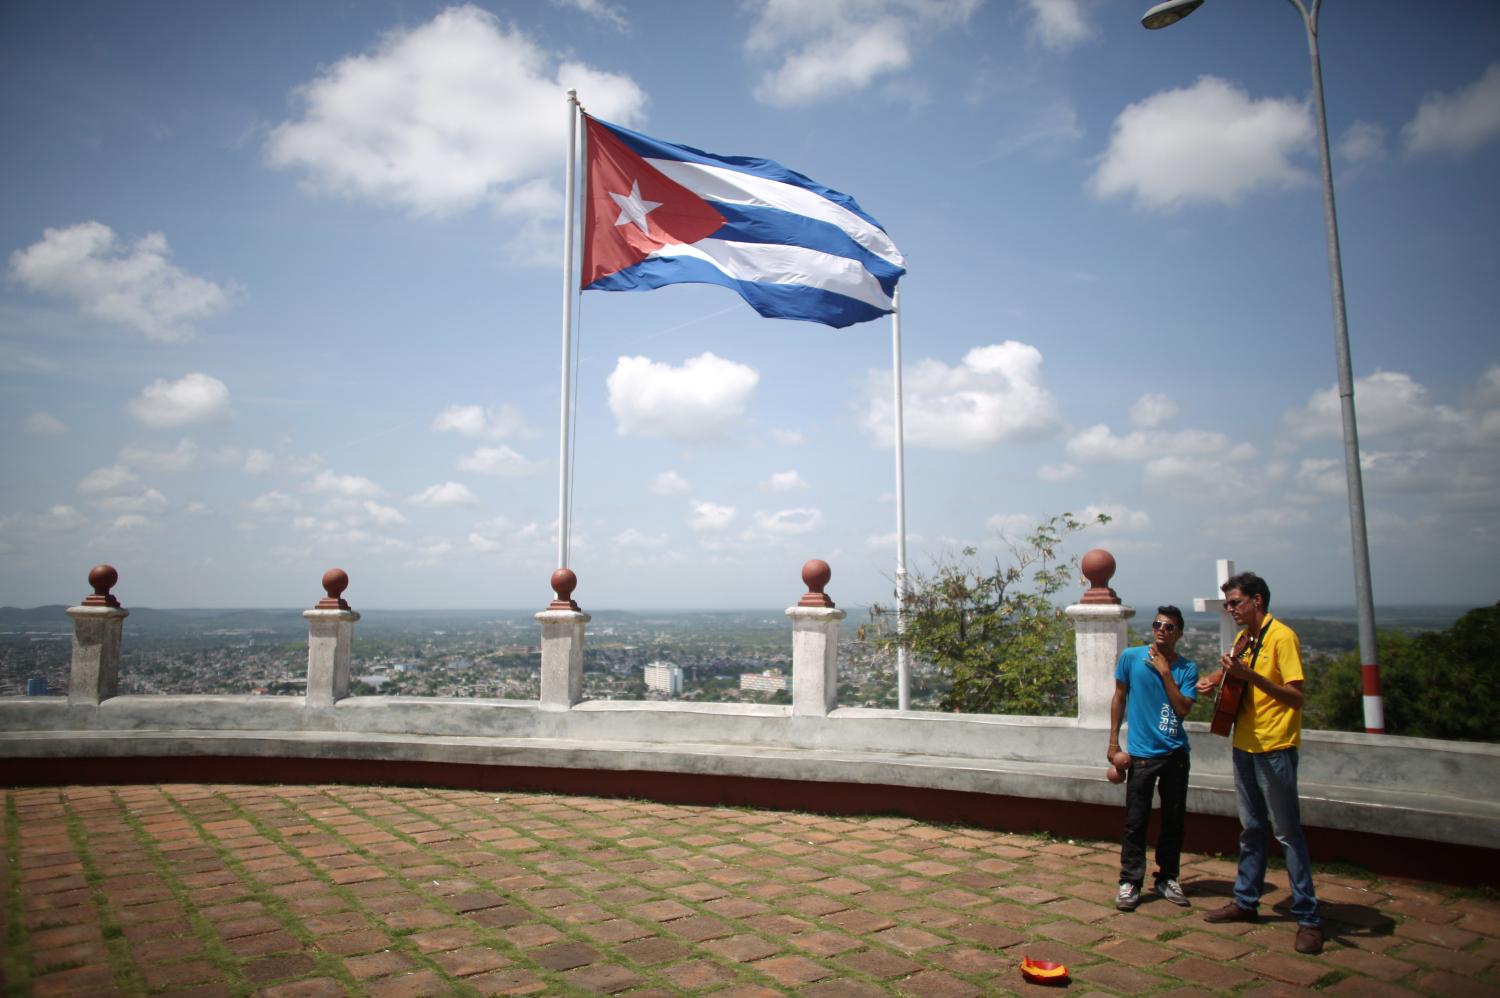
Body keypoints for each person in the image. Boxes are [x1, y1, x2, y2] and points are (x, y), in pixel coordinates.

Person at [1197, 571, 1322, 954]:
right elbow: (1238, 676)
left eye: (1235, 602)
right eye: (1228, 603)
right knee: (1251, 828)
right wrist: (1218, 676)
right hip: (1245, 744)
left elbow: (1295, 697)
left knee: (1286, 833)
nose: (1230, 609)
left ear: (1257, 601)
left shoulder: (1282, 637)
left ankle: (1308, 916)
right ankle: (1246, 901)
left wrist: (1251, 676)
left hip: (1276, 746)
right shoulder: (1243, 639)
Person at [1108, 605, 1198, 912]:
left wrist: (1164, 671)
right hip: (1142, 756)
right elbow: (1119, 697)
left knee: (1173, 821)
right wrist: (1113, 741)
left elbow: (1183, 708)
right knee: (1136, 822)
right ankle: (1130, 881)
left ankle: (1167, 877)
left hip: (1174, 755)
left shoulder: (1187, 669)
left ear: (1179, 633)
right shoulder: (1131, 658)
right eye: (1158, 624)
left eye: (1169, 626)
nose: (1162, 629)